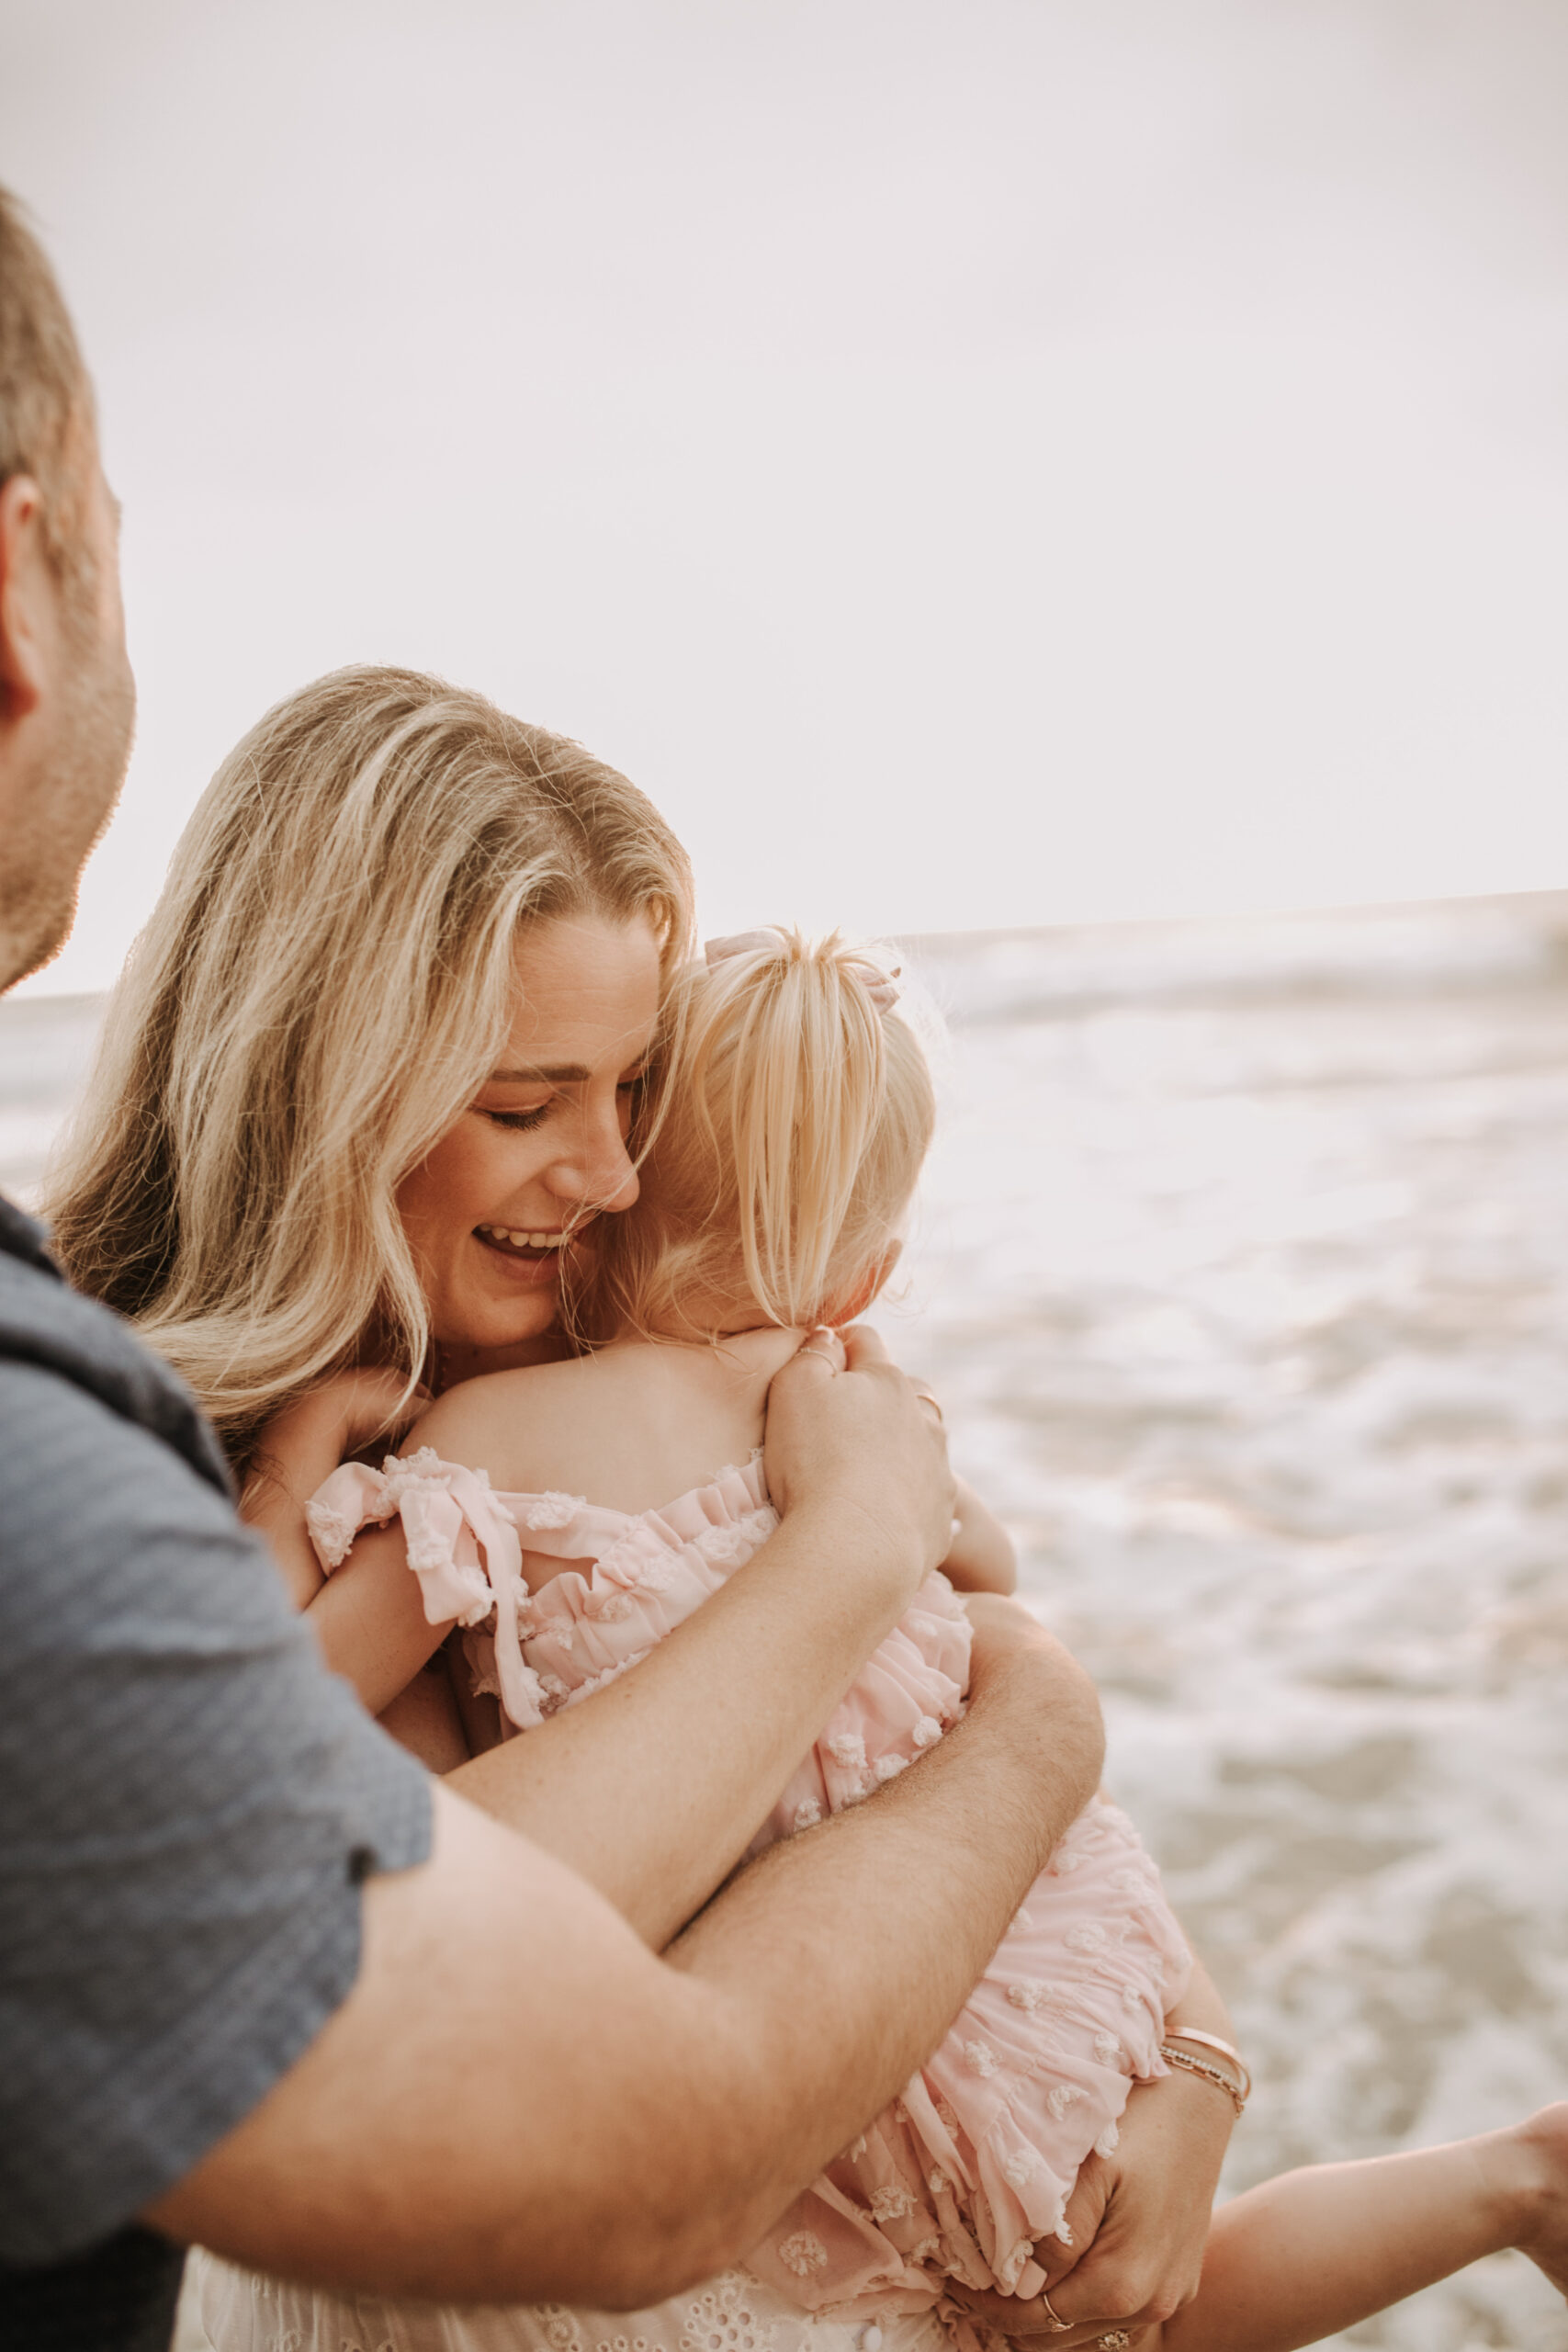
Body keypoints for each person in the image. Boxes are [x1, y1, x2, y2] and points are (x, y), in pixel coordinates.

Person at [0, 182, 1116, 2352]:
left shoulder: (610, 1393)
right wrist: (1013, 1687)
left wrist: (1167, 2055)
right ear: (315, 1077)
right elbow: (592, 2052)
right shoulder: (130, 1467)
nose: (606, 1175)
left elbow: (867, 1803)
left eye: (634, 1089)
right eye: (518, 1106)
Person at [200, 925, 1568, 2352]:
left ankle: (1511, 2180)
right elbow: (992, 1587)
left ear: (628, 1178)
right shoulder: (858, 1418)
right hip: (1001, 1981)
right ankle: (1507, 2181)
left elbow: (269, 1703)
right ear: (868, 1275)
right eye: (524, 1105)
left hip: (810, 2040)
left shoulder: (487, 1449)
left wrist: (299, 1469)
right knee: (1138, 2310)